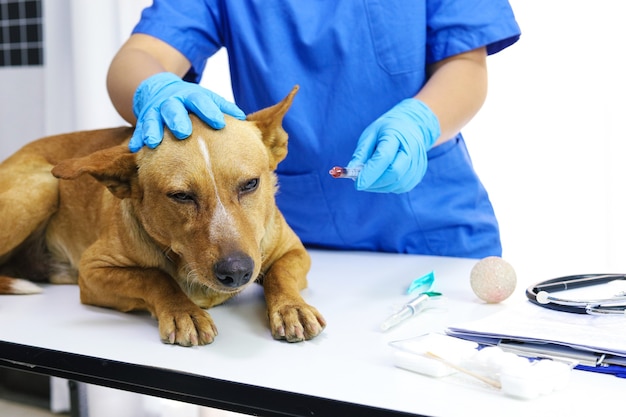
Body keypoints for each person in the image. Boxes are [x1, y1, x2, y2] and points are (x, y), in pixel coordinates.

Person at [107, 1, 521, 259]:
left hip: (431, 229)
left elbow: (465, 66)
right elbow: (140, 54)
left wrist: (420, 122)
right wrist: (154, 89)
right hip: (287, 241)